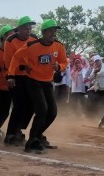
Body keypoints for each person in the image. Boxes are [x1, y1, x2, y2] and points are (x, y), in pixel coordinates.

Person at [9, 19, 68, 153]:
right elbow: (16, 57)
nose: (53, 33)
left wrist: (59, 66)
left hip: (47, 82)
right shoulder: (32, 45)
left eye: (55, 31)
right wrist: (11, 75)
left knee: (52, 112)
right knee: (42, 110)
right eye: (50, 31)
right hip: (33, 81)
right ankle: (31, 141)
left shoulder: (59, 46)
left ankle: (36, 135)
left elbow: (64, 62)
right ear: (43, 32)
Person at [4, 16, 38, 145]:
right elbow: (8, 62)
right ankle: (11, 133)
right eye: (25, 29)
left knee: (32, 104)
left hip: (31, 76)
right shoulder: (10, 40)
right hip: (16, 76)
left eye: (29, 29)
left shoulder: (34, 39)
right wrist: (11, 76)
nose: (28, 31)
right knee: (19, 105)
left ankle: (19, 128)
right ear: (18, 29)